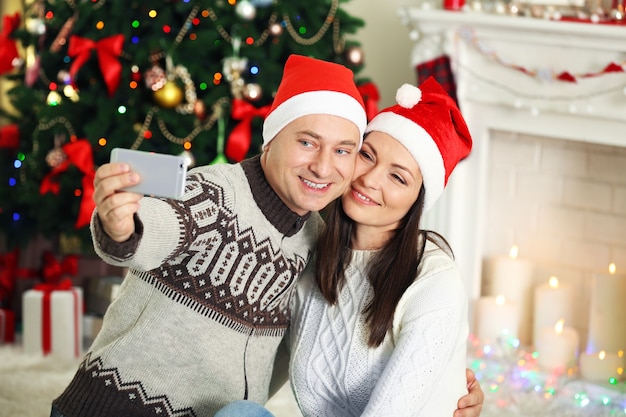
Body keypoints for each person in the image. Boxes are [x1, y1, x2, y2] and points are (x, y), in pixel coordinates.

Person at [51, 55, 482, 416]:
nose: (329, 168)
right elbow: (158, 226)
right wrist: (122, 225)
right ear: (272, 137)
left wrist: (443, 395)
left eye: (344, 151)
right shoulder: (221, 196)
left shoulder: (322, 242)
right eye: (366, 155)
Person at [216, 77, 478, 417]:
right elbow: (264, 371)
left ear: (418, 199)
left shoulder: (434, 281)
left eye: (398, 177)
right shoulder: (314, 248)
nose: (370, 179)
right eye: (366, 156)